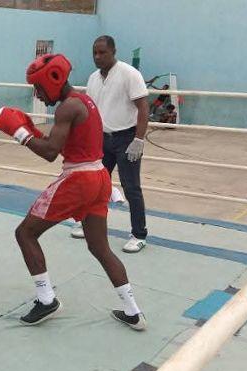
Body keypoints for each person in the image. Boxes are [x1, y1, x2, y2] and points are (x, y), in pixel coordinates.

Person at [0, 53, 146, 330]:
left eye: (38, 88)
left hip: (79, 180)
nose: (38, 95)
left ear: (53, 80)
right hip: (99, 177)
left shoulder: (67, 108)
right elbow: (64, 145)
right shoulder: (84, 100)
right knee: (99, 247)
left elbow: (51, 153)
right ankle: (133, 311)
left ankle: (46, 299)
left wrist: (21, 134)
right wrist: (33, 133)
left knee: (25, 233)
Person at [72, 35, 150, 253]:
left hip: (127, 138)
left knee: (131, 187)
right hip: (101, 139)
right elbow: (91, 110)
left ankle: (139, 234)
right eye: (94, 53)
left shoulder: (129, 74)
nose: (97, 57)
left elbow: (144, 108)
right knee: (94, 184)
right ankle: (88, 224)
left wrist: (138, 139)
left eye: (102, 52)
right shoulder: (93, 78)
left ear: (113, 52)